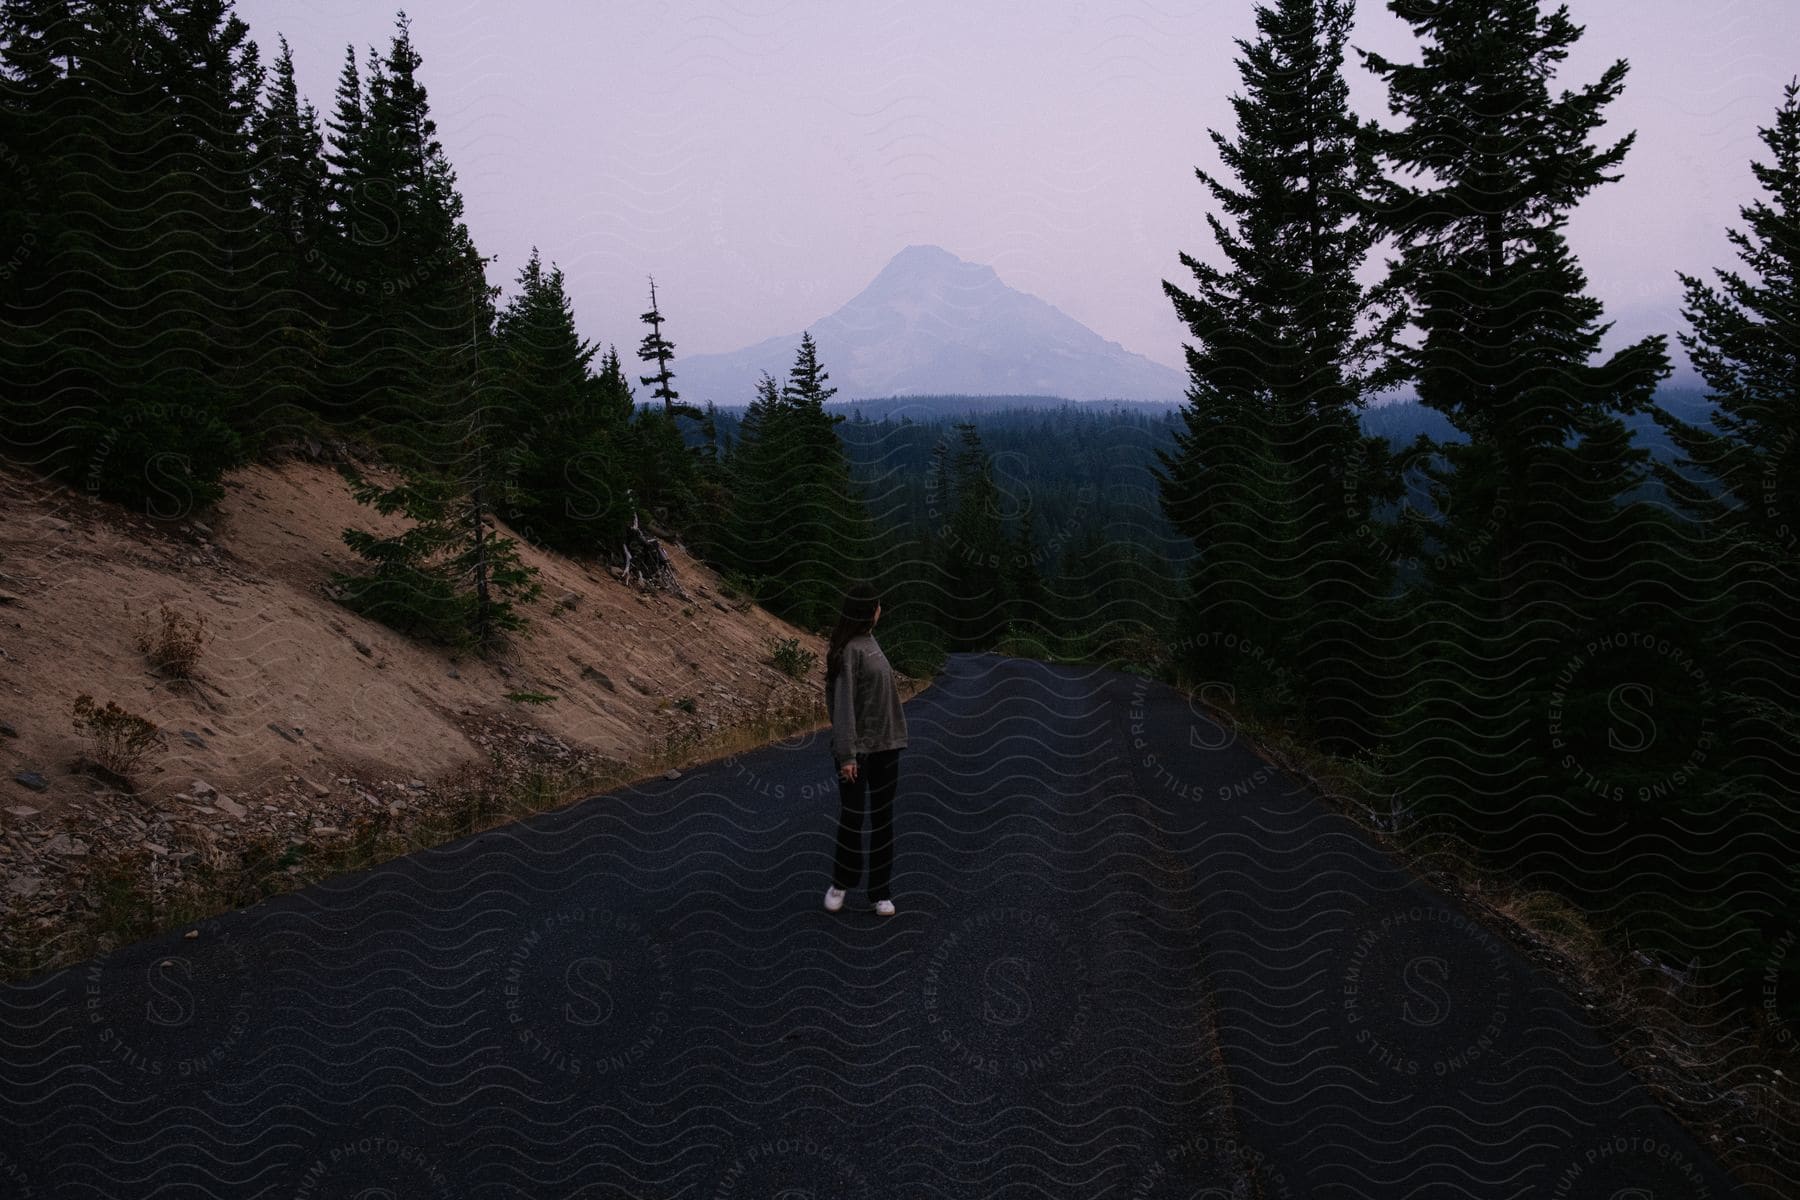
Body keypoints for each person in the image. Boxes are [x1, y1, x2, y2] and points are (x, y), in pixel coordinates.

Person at [822, 582, 908, 916]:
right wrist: (847, 755)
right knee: (853, 819)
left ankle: (880, 893)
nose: (880, 610)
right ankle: (841, 883)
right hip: (858, 753)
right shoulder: (849, 651)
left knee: (883, 821)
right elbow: (842, 706)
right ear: (867, 611)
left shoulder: (871, 642)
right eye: (877, 605)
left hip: (887, 747)